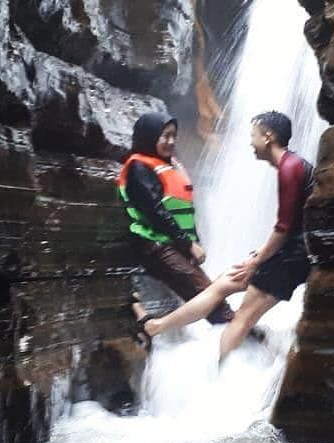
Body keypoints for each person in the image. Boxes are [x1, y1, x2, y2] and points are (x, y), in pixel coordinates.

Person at [132, 110, 313, 359]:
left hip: (294, 256)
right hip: (290, 251)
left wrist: (257, 260)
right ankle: (156, 326)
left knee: (242, 319)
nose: (250, 142)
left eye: (253, 135)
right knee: (221, 285)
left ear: (268, 137)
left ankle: (221, 377)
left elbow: (284, 227)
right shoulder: (291, 165)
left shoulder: (290, 167)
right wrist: (258, 257)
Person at [118, 110, 234, 325]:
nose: (171, 141)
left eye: (174, 136)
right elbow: (155, 212)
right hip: (154, 245)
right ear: (150, 136)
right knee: (211, 299)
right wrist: (188, 244)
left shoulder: (168, 164)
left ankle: (237, 340)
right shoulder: (139, 167)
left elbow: (184, 210)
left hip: (171, 244)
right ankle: (245, 341)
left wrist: (193, 242)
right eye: (165, 136)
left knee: (209, 298)